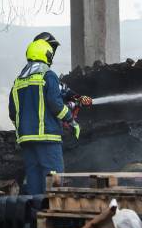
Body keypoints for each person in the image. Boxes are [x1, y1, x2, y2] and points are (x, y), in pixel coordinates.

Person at [8, 32, 90, 195]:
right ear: (47, 54)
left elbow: (12, 112)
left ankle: (35, 217)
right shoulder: (48, 75)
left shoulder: (18, 81)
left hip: (26, 140)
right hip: (48, 139)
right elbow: (55, 104)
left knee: (34, 180)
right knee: (53, 180)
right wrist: (71, 121)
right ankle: (53, 214)